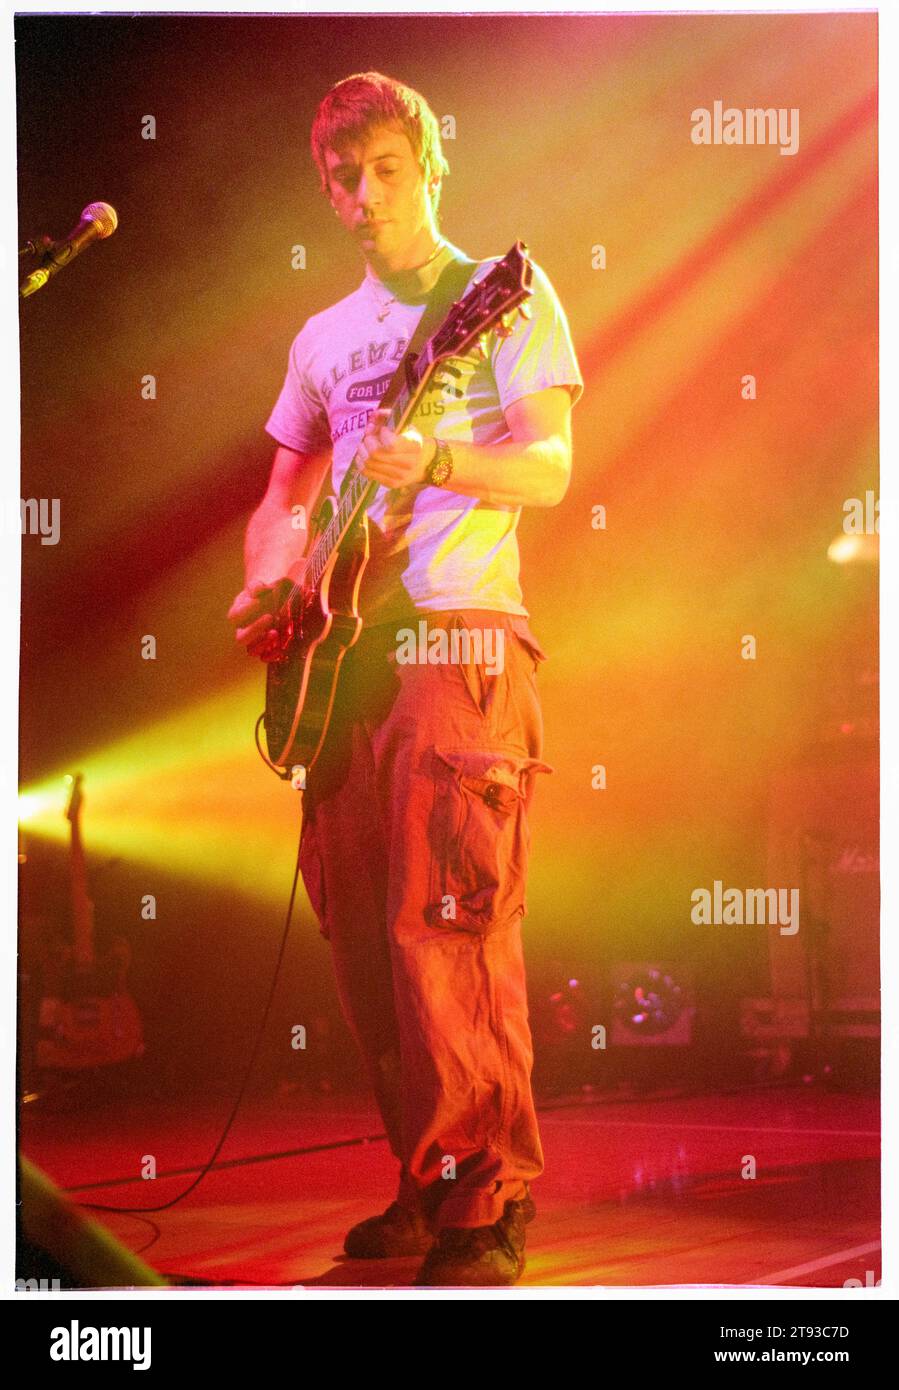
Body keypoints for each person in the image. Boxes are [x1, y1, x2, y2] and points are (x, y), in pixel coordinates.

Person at [228, 71, 583, 1286]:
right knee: (364, 946)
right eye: (342, 177)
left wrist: (434, 453)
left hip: (458, 636)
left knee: (449, 932)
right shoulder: (321, 339)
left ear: (431, 163)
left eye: (387, 169)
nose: (365, 196)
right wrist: (268, 584)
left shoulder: (500, 297)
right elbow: (280, 497)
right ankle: (427, 1187)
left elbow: (549, 470)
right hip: (342, 664)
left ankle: (488, 1204)